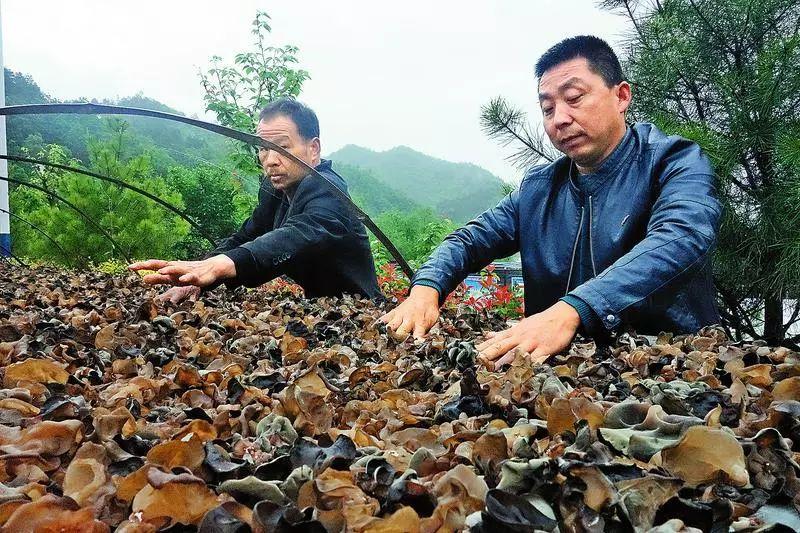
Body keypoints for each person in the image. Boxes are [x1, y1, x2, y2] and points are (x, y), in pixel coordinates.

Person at [381, 35, 721, 367]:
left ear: (621, 96)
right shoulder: (538, 189)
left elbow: (683, 237)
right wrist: (425, 289)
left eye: (574, 98)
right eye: (548, 108)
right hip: (556, 375)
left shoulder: (674, 162)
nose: (559, 118)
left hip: (670, 366)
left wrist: (573, 309)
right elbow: (468, 240)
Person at [129, 98, 381, 302]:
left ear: (313, 149)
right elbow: (250, 234)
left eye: (282, 147)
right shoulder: (276, 189)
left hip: (360, 313)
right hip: (318, 311)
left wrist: (222, 265)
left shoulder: (329, 189)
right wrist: (201, 274)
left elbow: (296, 236)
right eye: (263, 148)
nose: (270, 159)